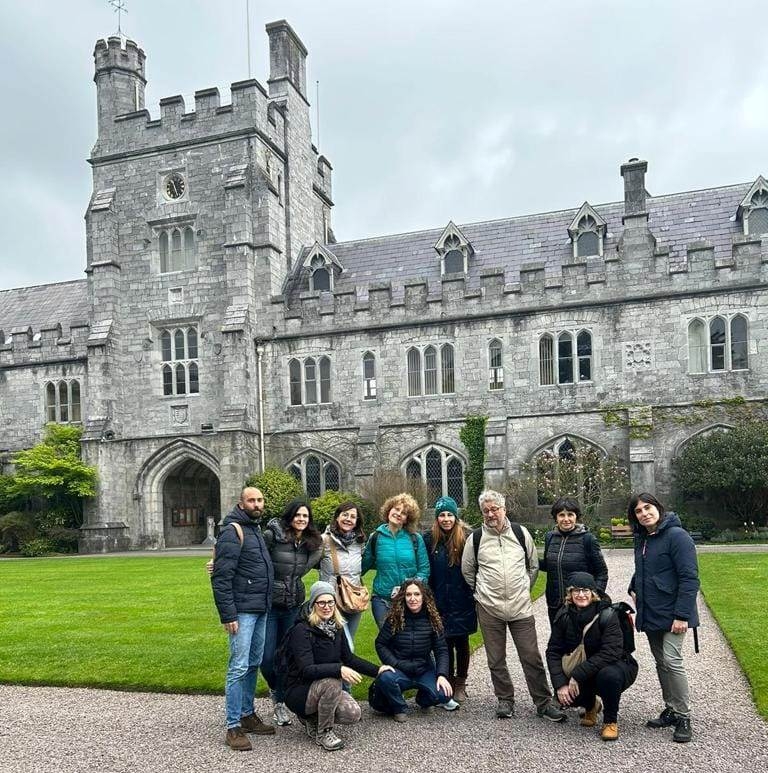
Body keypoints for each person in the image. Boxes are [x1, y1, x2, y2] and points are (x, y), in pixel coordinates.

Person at [461, 489, 565, 722]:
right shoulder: (475, 539)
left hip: (520, 607)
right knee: (495, 659)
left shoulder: (520, 533)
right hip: (489, 607)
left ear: (504, 509)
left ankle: (543, 702)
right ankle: (505, 700)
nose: (490, 514)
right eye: (486, 510)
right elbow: (468, 570)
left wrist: (522, 588)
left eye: (494, 509)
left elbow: (533, 566)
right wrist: (482, 592)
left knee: (531, 656)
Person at [281, 581, 393, 751]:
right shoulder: (301, 631)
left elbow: (349, 658)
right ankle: (324, 732)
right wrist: (338, 669)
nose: (327, 607)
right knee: (333, 681)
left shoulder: (336, 628)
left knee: (352, 713)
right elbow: (306, 670)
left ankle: (312, 718)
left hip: (323, 687)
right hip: (299, 690)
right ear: (313, 604)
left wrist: (378, 670)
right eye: (322, 602)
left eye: (330, 602)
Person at [628, 492, 699, 744]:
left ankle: (684, 716)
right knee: (661, 662)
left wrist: (682, 615)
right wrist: (633, 588)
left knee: (672, 660)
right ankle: (670, 708)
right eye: (638, 511)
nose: (644, 513)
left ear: (658, 508)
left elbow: (690, 579)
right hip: (652, 611)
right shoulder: (643, 538)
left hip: (674, 613)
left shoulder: (677, 536)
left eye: (648, 508)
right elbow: (643, 570)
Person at [210, 486, 276, 751]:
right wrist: (228, 614)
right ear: (241, 503)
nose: (257, 504)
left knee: (253, 663)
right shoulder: (232, 530)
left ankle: (248, 714)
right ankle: (233, 726)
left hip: (260, 608)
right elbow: (221, 576)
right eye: (252, 500)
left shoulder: (255, 529)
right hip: (242, 611)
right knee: (238, 666)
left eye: (260, 500)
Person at [546, 572, 638, 741]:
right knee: (567, 697)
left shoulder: (608, 615)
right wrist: (560, 685)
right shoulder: (564, 615)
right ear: (570, 594)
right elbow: (553, 651)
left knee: (608, 676)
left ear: (593, 593)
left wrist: (577, 674)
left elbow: (611, 652)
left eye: (585, 590)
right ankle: (591, 706)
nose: (581, 595)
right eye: (576, 591)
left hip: (616, 665)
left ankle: (610, 721)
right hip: (585, 666)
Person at [260, 499, 323, 727]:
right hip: (269, 605)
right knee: (267, 658)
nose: (302, 519)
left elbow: (307, 565)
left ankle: (280, 702)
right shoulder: (272, 536)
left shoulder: (308, 541)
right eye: (298, 515)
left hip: (293, 604)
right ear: (290, 516)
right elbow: (254, 558)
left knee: (288, 656)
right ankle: (275, 688)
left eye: (306, 516)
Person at [371, 578, 460, 720]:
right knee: (385, 678)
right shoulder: (394, 618)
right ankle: (399, 708)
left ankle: (423, 699)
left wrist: (442, 675)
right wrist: (394, 663)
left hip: (423, 669)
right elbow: (380, 643)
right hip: (400, 668)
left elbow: (441, 649)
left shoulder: (433, 619)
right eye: (408, 595)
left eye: (417, 594)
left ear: (424, 596)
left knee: (445, 694)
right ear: (403, 597)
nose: (413, 599)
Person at [423, 495, 477, 703]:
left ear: (456, 517)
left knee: (461, 642)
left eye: (450, 515)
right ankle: (449, 680)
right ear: (437, 518)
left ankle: (461, 683)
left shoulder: (467, 538)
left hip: (462, 598)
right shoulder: (430, 539)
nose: (446, 519)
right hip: (438, 599)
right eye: (442, 515)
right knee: (444, 642)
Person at [361, 492, 430, 628]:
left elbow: (424, 570)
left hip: (409, 600)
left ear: (407, 519)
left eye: (403, 513)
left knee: (408, 642)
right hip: (382, 599)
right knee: (387, 641)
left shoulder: (415, 539)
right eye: (396, 509)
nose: (398, 514)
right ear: (389, 510)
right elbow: (361, 566)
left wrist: (407, 588)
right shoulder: (376, 537)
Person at [540, 497, 608, 624]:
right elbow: (549, 565)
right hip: (555, 604)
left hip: (580, 604)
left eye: (570, 514)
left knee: (582, 642)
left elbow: (602, 573)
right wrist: (528, 559)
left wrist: (593, 598)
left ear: (576, 516)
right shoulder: (550, 537)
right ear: (556, 517)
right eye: (561, 515)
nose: (566, 519)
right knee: (558, 641)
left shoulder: (588, 539)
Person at [317, 501, 367, 648]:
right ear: (337, 517)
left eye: (353, 516)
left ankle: (341, 670)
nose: (348, 519)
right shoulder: (324, 540)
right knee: (344, 644)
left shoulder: (359, 542)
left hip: (353, 599)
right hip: (331, 600)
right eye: (345, 515)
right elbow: (309, 563)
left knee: (347, 641)